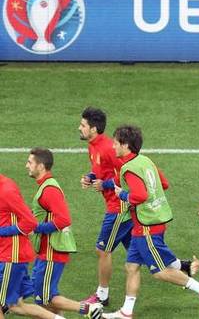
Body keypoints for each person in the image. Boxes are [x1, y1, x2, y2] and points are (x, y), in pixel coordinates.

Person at [103, 125, 199, 319]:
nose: (112, 146)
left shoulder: (128, 168)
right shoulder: (145, 161)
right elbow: (165, 184)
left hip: (147, 225)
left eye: (116, 142)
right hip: (150, 221)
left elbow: (141, 195)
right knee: (132, 266)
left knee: (160, 272)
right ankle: (126, 312)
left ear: (125, 145)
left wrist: (123, 194)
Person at [26, 148, 103, 318]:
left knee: (45, 297)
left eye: (30, 162)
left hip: (52, 250)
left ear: (41, 166)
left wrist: (35, 227)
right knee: (44, 297)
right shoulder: (45, 186)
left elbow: (63, 220)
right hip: (46, 250)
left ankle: (88, 309)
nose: (27, 166)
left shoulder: (49, 189)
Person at [78, 107, 133, 306]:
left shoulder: (109, 148)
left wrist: (106, 184)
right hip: (113, 205)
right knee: (141, 252)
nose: (79, 128)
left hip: (119, 207)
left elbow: (126, 175)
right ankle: (181, 267)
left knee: (102, 250)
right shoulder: (92, 146)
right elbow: (100, 171)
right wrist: (90, 178)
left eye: (83, 125)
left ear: (93, 128)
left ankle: (102, 295)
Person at [0, 172, 68, 319]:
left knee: (8, 304)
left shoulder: (6, 191)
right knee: (16, 305)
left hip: (10, 256)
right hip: (8, 255)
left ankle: (87, 309)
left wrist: (2, 231)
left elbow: (30, 222)